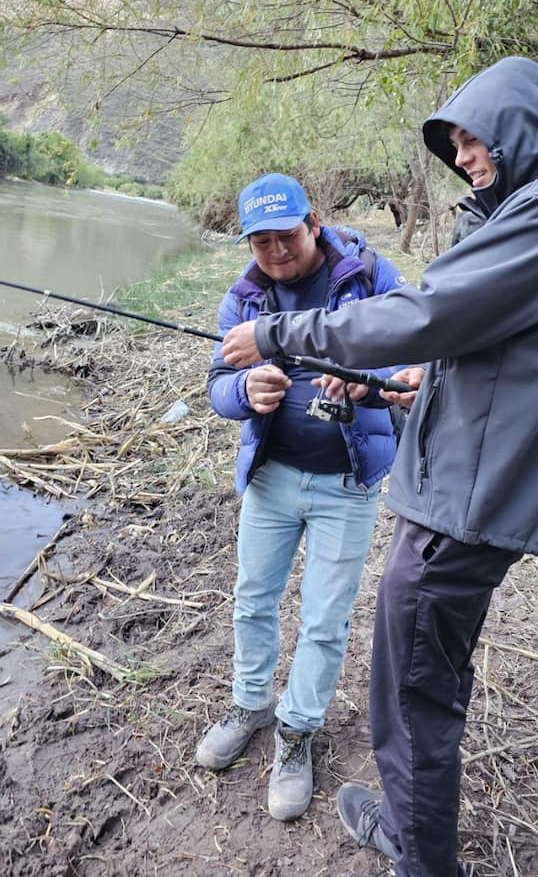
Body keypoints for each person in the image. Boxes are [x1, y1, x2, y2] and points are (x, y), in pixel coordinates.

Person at [220, 58, 538, 877]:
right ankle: (411, 823)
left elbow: (427, 312)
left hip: (468, 501)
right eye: (457, 146)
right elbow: (488, 345)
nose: (466, 158)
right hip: (471, 485)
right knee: (423, 677)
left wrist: (283, 337)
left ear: (520, 130)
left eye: (476, 141)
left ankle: (420, 856)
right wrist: (416, 382)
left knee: (412, 695)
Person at [195, 172, 420, 823]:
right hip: (270, 478)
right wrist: (244, 395)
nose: (276, 253)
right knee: (252, 601)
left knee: (324, 618)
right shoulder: (245, 296)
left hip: (348, 485)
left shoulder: (371, 276)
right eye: (260, 242)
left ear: (314, 222)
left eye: (286, 236)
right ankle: (249, 704)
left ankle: (296, 734)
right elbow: (216, 384)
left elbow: (415, 359)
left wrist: (367, 382)